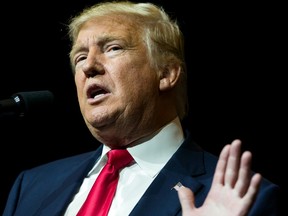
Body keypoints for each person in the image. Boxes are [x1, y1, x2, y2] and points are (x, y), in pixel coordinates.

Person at [3, 1, 279, 216]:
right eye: (81, 57)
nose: (89, 66)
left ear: (167, 73)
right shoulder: (32, 186)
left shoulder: (243, 197)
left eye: (112, 48)